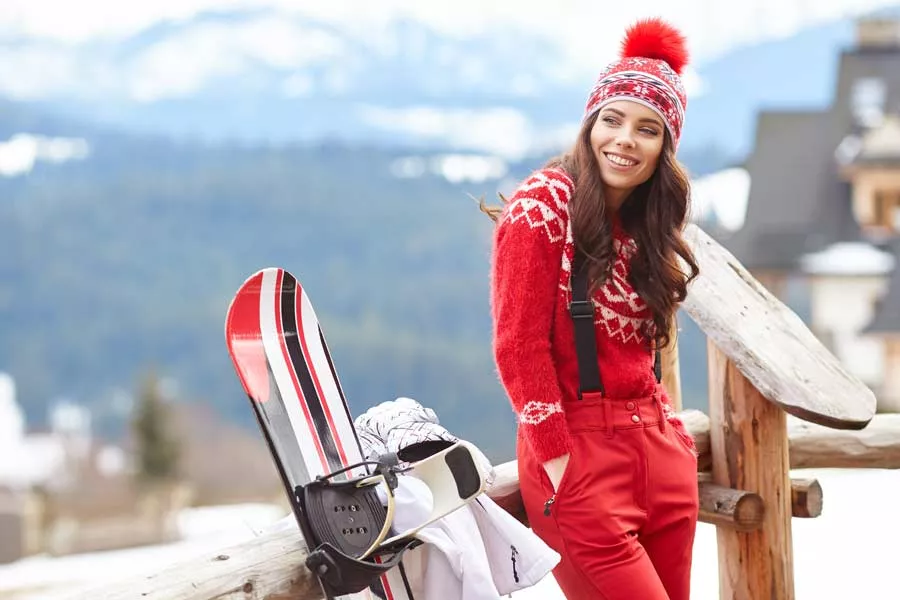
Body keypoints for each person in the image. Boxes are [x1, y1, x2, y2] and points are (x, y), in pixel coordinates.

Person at [485, 17, 701, 600]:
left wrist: (673, 437)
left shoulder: (648, 223)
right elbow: (517, 345)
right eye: (612, 119)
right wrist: (558, 464)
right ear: (590, 125)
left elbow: (646, 352)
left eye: (647, 128)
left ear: (664, 147)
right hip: (579, 460)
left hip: (659, 452)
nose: (625, 139)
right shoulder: (544, 204)